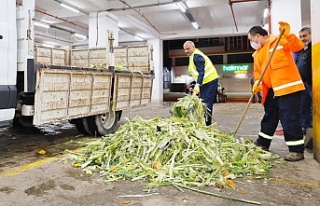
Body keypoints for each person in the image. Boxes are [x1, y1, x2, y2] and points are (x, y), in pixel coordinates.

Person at [248, 22, 305, 161]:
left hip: (288, 88)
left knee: (289, 118)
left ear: (257, 36)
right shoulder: (258, 53)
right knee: (270, 116)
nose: (251, 43)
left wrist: (288, 35)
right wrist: (257, 84)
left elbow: (298, 46)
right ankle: (263, 143)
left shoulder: (278, 40)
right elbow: (257, 72)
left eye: (251, 39)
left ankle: (296, 150)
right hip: (271, 90)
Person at [183, 41, 219, 126]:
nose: (186, 51)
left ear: (193, 47)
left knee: (207, 103)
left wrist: (197, 85)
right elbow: (195, 72)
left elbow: (201, 72)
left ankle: (207, 123)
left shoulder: (197, 57)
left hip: (210, 81)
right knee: (200, 101)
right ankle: (191, 114)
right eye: (184, 49)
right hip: (204, 82)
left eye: (188, 48)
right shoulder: (192, 56)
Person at [294, 27, 312, 137]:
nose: (302, 38)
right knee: (303, 107)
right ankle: (304, 127)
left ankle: (308, 128)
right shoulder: (300, 52)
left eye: (304, 36)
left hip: (310, 84)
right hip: (301, 84)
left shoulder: (313, 50)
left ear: (310, 35)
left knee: (307, 108)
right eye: (300, 36)